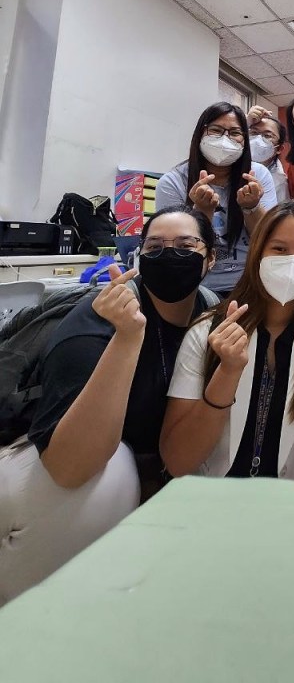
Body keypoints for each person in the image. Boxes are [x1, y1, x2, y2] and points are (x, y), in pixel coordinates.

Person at [0, 206, 219, 605]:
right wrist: (127, 338)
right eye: (155, 247)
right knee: (115, 471)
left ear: (211, 259)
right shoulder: (97, 321)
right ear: (139, 256)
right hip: (43, 468)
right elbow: (68, 465)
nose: (169, 255)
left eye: (186, 246)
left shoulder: (208, 312)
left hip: (126, 472)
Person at [160, 201, 294, 484]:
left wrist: (288, 511)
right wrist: (227, 371)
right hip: (215, 495)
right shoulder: (207, 332)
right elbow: (178, 461)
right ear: (257, 253)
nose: (291, 263)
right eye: (279, 249)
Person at [156, 102, 277, 298]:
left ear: (244, 141)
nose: (225, 139)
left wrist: (251, 207)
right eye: (216, 130)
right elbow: (174, 248)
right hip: (196, 285)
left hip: (250, 284)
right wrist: (201, 212)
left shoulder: (258, 175)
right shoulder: (173, 182)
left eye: (235, 132)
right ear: (200, 134)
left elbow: (269, 237)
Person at [247, 103, 289, 202]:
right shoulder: (232, 164)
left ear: (279, 149)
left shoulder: (279, 183)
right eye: (254, 133)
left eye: (267, 135)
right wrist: (245, 123)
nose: (258, 139)